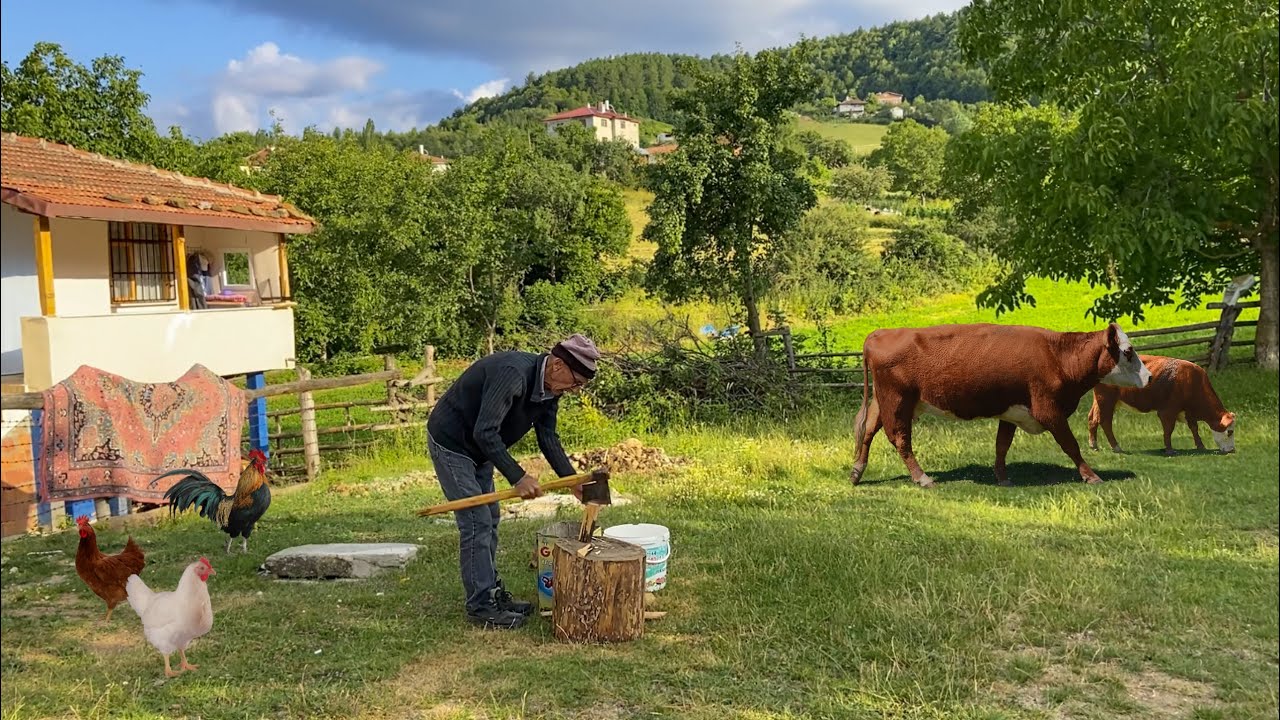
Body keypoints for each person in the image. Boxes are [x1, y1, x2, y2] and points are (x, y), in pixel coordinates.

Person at [426, 334, 600, 628]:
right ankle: (481, 607)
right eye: (575, 382)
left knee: (490, 517)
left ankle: (492, 594)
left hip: (480, 450)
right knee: (476, 520)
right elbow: (485, 432)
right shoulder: (514, 374)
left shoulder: (550, 390)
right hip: (453, 443)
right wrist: (518, 476)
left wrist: (572, 480)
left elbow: (547, 436)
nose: (573, 390)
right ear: (558, 365)